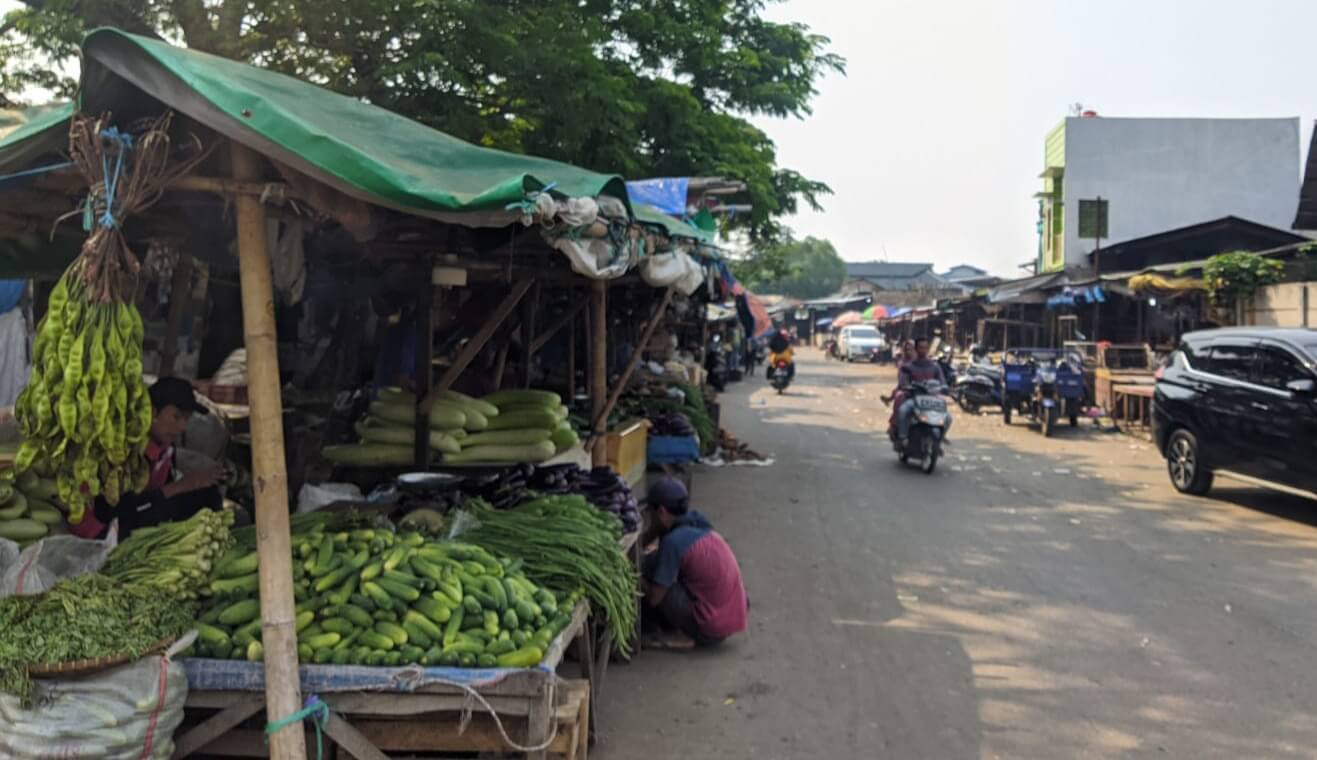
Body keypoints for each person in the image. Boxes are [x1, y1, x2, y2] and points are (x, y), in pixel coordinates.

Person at [74, 377, 224, 539]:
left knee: (207, 494)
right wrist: (181, 486)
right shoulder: (123, 448)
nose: (182, 427)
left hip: (141, 511)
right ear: (152, 412)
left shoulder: (164, 447)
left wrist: (192, 484)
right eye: (177, 417)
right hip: (104, 530)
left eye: (186, 419)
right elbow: (114, 510)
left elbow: (159, 492)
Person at [641, 478, 748, 649]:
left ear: (661, 512)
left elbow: (654, 598)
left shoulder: (673, 542)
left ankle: (684, 635)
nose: (649, 518)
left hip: (709, 630)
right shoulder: (696, 521)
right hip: (731, 615)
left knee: (653, 579)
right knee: (655, 561)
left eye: (651, 513)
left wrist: (635, 576)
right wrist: (653, 531)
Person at [891, 337, 951, 444]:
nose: (923, 350)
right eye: (920, 348)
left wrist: (945, 388)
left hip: (932, 399)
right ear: (916, 349)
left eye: (925, 348)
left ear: (928, 349)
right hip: (914, 398)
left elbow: (942, 381)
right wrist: (906, 386)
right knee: (903, 411)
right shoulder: (908, 366)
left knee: (948, 417)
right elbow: (903, 381)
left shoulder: (934, 366)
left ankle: (940, 438)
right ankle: (903, 436)